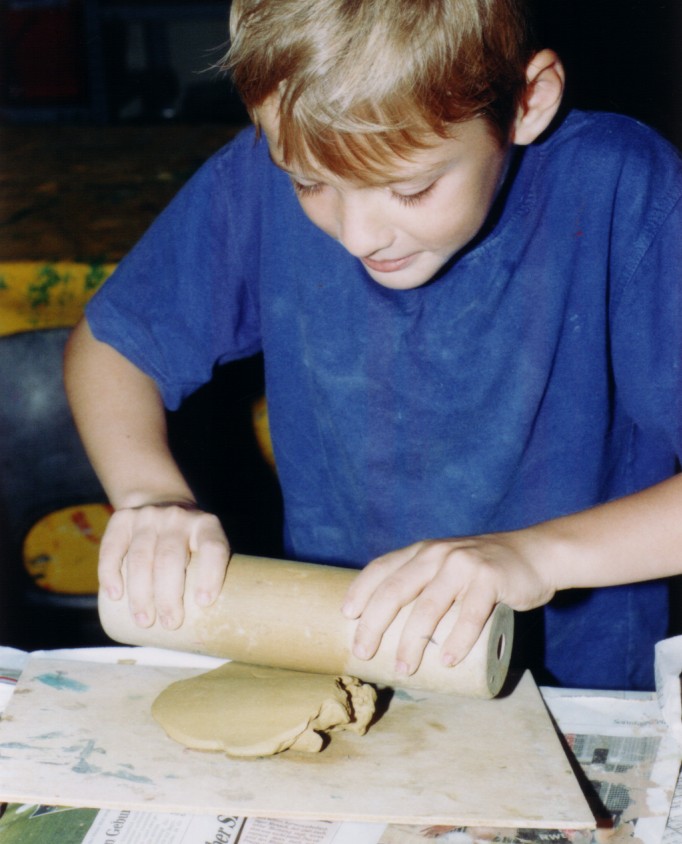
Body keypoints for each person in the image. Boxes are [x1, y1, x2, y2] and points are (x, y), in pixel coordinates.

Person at [64, 0, 682, 692]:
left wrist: (534, 557)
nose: (358, 235)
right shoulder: (256, 181)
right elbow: (111, 346)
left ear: (528, 101)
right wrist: (150, 494)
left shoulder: (627, 193)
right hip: (334, 656)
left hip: (577, 680)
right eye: (307, 182)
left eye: (410, 189)